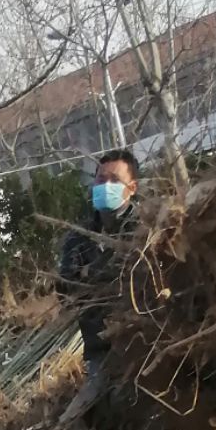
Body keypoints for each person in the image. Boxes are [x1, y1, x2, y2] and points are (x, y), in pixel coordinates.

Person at [57, 146, 141, 374]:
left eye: (114, 180)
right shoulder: (78, 237)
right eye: (101, 179)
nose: (105, 186)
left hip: (145, 342)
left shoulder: (145, 228)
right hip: (100, 350)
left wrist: (90, 274)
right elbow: (65, 290)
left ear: (131, 188)